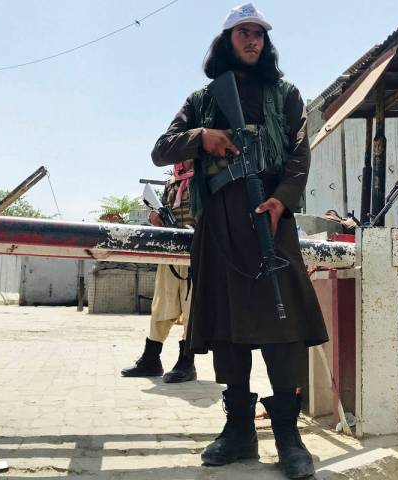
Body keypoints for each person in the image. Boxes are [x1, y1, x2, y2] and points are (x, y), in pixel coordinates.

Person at [151, 4, 327, 478]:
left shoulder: (287, 95)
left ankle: (288, 435)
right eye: (243, 34)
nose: (252, 41)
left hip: (270, 219)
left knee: (282, 328)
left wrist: (282, 201)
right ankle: (238, 430)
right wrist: (202, 136)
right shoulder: (202, 100)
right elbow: (160, 149)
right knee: (228, 330)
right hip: (220, 224)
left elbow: (298, 155)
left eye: (259, 35)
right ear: (227, 41)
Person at [121, 160, 197, 383]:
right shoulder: (172, 182)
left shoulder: (204, 178)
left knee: (192, 306)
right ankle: (151, 358)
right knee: (161, 303)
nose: (179, 159)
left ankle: (187, 362)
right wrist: (156, 218)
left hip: (196, 251)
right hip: (170, 251)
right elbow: (162, 212)